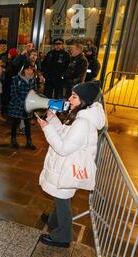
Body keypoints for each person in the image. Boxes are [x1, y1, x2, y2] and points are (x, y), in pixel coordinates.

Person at [38, 81, 105, 247]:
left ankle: (63, 236)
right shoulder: (81, 115)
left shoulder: (82, 122)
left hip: (67, 167)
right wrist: (53, 121)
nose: (69, 98)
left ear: (83, 100)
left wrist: (47, 128)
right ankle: (54, 220)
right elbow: (64, 134)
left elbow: (63, 147)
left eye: (74, 96)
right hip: (66, 164)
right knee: (60, 194)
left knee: (62, 199)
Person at [7, 61, 37, 150]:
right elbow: (14, 93)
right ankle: (13, 140)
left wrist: (31, 103)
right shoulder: (16, 79)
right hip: (17, 105)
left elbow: (34, 92)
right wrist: (23, 104)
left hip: (28, 105)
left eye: (31, 70)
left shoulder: (33, 80)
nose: (29, 71)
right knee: (15, 123)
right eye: (27, 69)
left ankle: (29, 141)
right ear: (23, 70)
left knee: (27, 124)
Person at [0, 48, 20, 119]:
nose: (8, 54)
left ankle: (7, 113)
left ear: (12, 55)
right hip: (9, 83)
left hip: (9, 83)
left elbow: (9, 72)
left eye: (9, 53)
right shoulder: (13, 62)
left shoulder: (12, 62)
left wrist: (4, 70)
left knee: (7, 98)